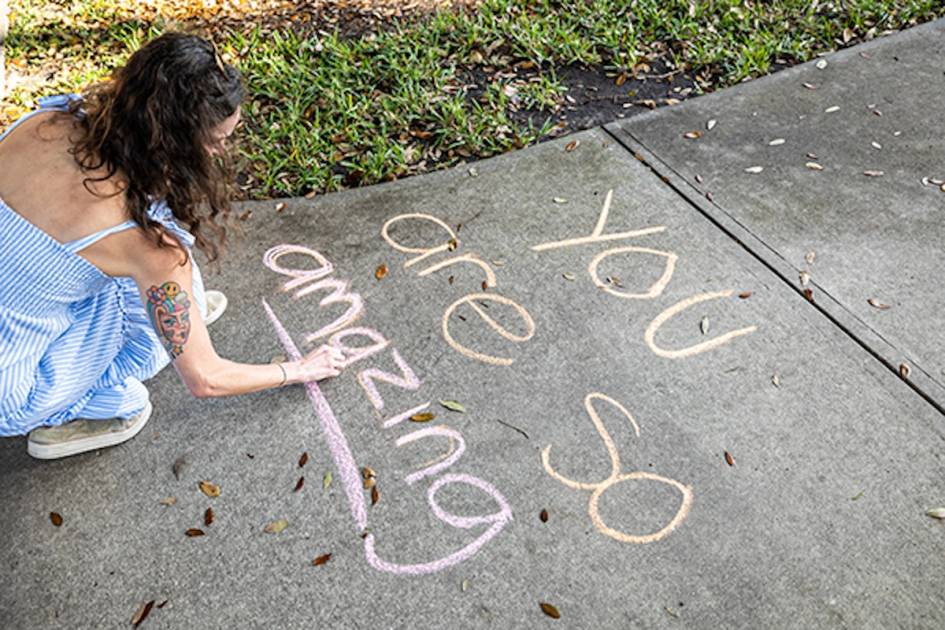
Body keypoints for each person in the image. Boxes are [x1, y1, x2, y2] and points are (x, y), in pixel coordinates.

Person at [0, 33, 344, 460]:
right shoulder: (145, 243)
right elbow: (207, 378)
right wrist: (299, 369)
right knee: (146, 350)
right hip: (13, 384)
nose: (222, 151)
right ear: (176, 144)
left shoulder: (49, 123)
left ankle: (183, 316)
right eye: (216, 141)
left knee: (147, 276)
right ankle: (98, 413)